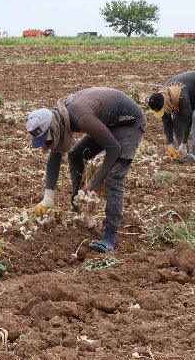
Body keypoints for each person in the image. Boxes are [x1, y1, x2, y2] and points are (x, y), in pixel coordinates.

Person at [26, 87, 146, 253]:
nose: (46, 145)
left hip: (129, 124)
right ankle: (78, 207)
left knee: (112, 178)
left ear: (53, 128)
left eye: (46, 140)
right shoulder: (59, 117)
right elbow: (55, 154)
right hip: (107, 123)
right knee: (76, 155)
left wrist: (95, 183)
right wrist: (48, 198)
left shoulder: (81, 118)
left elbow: (114, 149)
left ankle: (109, 236)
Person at [147, 71, 195, 164]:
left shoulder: (180, 95)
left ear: (165, 104)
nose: (163, 112)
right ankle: (183, 155)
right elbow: (166, 120)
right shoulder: (161, 97)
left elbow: (188, 120)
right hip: (191, 94)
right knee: (176, 120)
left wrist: (183, 144)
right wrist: (170, 143)